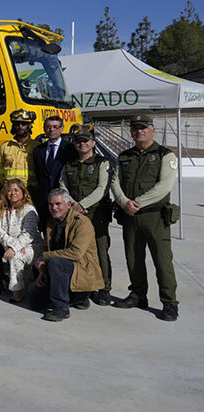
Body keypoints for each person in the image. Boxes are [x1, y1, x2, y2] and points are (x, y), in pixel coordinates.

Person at [110, 114, 180, 321]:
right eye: (135, 128)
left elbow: (164, 186)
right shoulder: (124, 156)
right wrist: (124, 203)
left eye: (143, 127)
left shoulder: (165, 155)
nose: (139, 131)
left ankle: (169, 303)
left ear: (152, 130)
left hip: (155, 217)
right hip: (130, 217)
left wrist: (136, 203)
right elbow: (115, 182)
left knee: (162, 260)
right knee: (133, 258)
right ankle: (138, 295)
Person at [32, 189, 104, 322]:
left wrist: (46, 257)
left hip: (79, 268)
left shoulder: (82, 223)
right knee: (36, 303)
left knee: (55, 262)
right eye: (51, 204)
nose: (54, 208)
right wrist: (42, 270)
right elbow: (45, 248)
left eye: (58, 204)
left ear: (69, 205)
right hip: (58, 270)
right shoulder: (51, 222)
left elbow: (76, 253)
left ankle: (62, 307)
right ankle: (77, 298)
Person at [60, 128, 113, 306]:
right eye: (78, 141)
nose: (82, 144)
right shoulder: (69, 164)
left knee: (99, 250)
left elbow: (102, 188)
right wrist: (73, 203)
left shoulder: (102, 163)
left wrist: (82, 204)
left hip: (96, 213)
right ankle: (83, 286)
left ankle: (104, 288)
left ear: (93, 143)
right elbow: (63, 185)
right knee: (77, 250)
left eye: (86, 141)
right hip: (74, 213)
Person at [0, 179, 41, 302]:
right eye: (9, 190)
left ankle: (17, 290)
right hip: (10, 246)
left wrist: (14, 248)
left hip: (31, 246)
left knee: (16, 256)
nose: (12, 193)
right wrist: (11, 245)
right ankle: (26, 284)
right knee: (15, 258)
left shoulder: (29, 210)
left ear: (23, 193)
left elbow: (28, 234)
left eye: (16, 190)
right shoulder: (0, 208)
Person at [33, 115, 74, 212]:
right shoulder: (38, 150)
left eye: (55, 127)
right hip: (43, 201)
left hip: (63, 200)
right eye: (48, 127)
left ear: (62, 129)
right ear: (44, 129)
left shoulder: (70, 148)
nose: (51, 130)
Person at [0, 109, 38, 190]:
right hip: (10, 190)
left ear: (30, 125)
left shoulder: (37, 147)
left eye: (24, 124)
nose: (20, 126)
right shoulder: (4, 147)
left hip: (31, 190)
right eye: (17, 124)